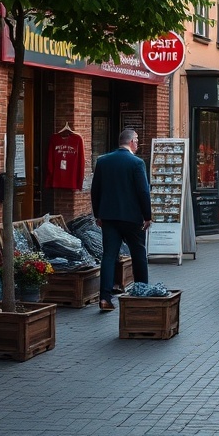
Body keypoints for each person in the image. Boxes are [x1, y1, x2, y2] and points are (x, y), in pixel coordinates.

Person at [90, 129, 152, 313]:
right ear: (132, 141)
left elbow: (96, 190)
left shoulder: (102, 161)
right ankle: (141, 292)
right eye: (138, 140)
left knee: (109, 256)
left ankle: (104, 298)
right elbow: (143, 192)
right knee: (139, 254)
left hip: (109, 217)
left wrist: (98, 215)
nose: (138, 143)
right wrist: (147, 216)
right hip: (132, 218)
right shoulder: (137, 163)